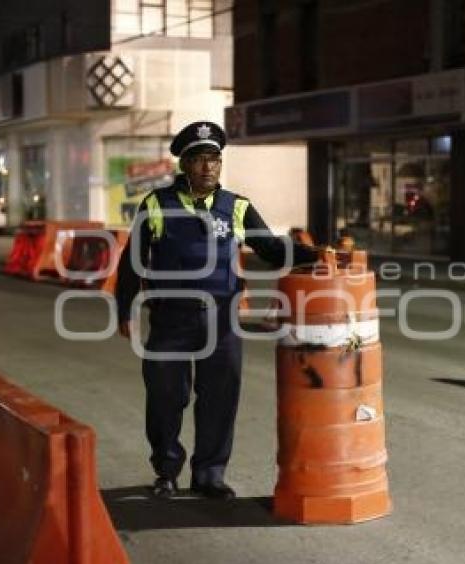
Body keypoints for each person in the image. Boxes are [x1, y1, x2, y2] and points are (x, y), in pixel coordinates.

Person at [115, 121, 318, 499]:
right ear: (185, 165)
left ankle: (209, 474)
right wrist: (124, 310)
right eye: (200, 160)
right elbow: (132, 262)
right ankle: (167, 470)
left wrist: (316, 255)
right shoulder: (157, 205)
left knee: (220, 399)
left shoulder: (236, 207)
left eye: (215, 159)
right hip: (170, 321)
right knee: (165, 398)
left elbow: (272, 250)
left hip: (221, 322)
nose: (209, 167)